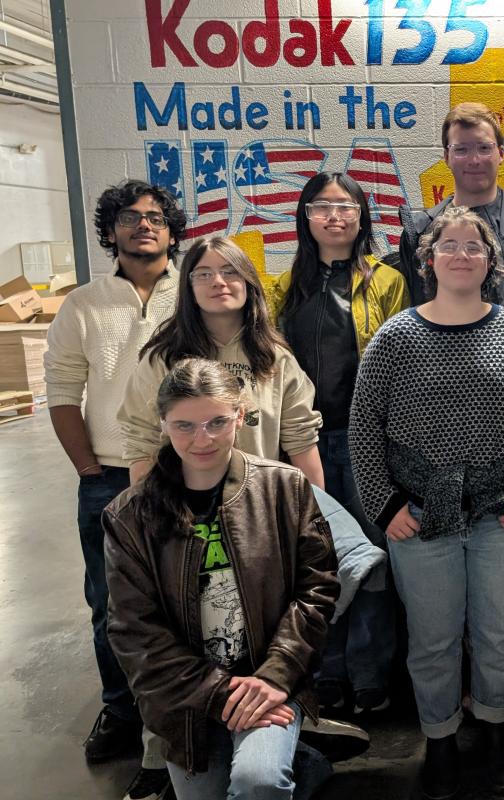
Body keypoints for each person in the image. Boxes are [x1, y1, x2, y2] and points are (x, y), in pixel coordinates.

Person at [349, 205, 504, 800]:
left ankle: (494, 730)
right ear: (429, 258)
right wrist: (385, 506)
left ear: (491, 262)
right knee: (434, 637)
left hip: (502, 513)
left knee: (497, 632)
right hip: (420, 516)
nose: (462, 254)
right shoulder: (396, 337)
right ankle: (439, 738)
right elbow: (364, 429)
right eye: (450, 245)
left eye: (474, 246)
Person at [103, 359, 340, 799]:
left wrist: (275, 674)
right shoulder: (129, 515)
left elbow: (317, 588)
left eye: (216, 421)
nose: (202, 439)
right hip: (185, 698)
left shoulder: (283, 488)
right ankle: (306, 765)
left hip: (269, 679)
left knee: (258, 782)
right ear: (163, 424)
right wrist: (220, 692)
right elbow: (133, 632)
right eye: (184, 426)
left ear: (240, 415)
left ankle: (285, 763)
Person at [43, 178, 184, 800]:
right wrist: (88, 470)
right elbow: (62, 389)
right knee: (112, 606)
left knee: (190, 599)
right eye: (129, 218)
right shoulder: (83, 305)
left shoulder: (196, 288)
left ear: (172, 229)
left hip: (189, 469)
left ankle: (185, 710)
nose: (144, 226)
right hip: (107, 477)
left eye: (155, 217)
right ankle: (122, 711)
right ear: (110, 231)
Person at [270, 171, 408, 716]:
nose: (334, 216)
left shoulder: (387, 281)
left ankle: (371, 672)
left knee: (371, 558)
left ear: (361, 215)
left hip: (367, 441)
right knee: (314, 559)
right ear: (305, 218)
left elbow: (402, 363)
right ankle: (325, 670)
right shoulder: (285, 287)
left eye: (345, 205)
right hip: (302, 441)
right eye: (321, 206)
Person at [381, 101, 504, 424]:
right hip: (442, 410)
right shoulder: (421, 234)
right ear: (446, 156)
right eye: (462, 149)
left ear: (501, 153)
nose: (474, 160)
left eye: (484, 148)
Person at [120, 235, 324, 488]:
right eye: (203, 274)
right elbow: (142, 442)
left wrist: (316, 516)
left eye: (230, 272)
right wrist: (150, 518)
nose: (218, 282)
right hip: (183, 507)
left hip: (258, 502)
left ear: (248, 283)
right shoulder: (164, 358)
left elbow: (302, 441)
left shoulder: (276, 358)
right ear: (189, 288)